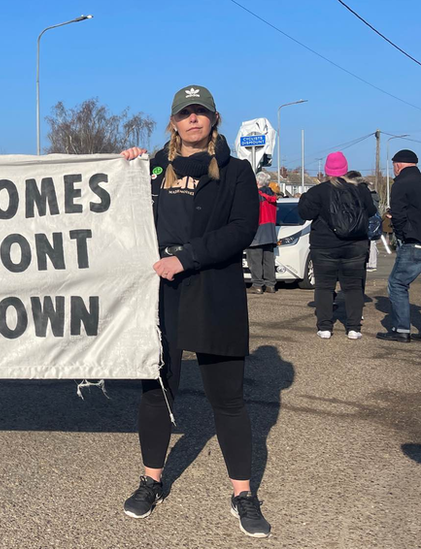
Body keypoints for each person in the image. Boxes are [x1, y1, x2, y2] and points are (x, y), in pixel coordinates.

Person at [119, 85, 269, 538]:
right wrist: (120, 168)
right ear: (173, 122)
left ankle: (243, 493)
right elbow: (117, 210)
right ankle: (152, 480)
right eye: (185, 113)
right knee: (157, 390)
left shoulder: (237, 171)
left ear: (214, 119)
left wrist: (186, 257)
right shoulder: (153, 168)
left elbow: (243, 228)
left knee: (228, 399)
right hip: (157, 292)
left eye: (201, 112)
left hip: (213, 288)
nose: (193, 119)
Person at [297, 152, 376, 340]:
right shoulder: (361, 190)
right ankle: (354, 328)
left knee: (324, 287)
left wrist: (303, 198)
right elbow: (372, 211)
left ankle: (325, 327)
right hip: (356, 245)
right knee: (353, 287)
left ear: (327, 171)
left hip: (324, 246)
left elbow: (304, 213)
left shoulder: (319, 191)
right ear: (345, 169)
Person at [377, 149, 421, 342]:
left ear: (397, 165)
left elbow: (400, 214)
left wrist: (401, 235)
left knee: (397, 283)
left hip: (413, 241)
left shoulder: (401, 184)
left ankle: (402, 329)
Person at [245, 171, 278, 294]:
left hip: (257, 230)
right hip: (270, 231)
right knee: (268, 260)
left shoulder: (255, 195)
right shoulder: (272, 195)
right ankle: (271, 285)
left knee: (255, 260)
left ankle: (257, 285)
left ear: (257, 182)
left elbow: (251, 214)